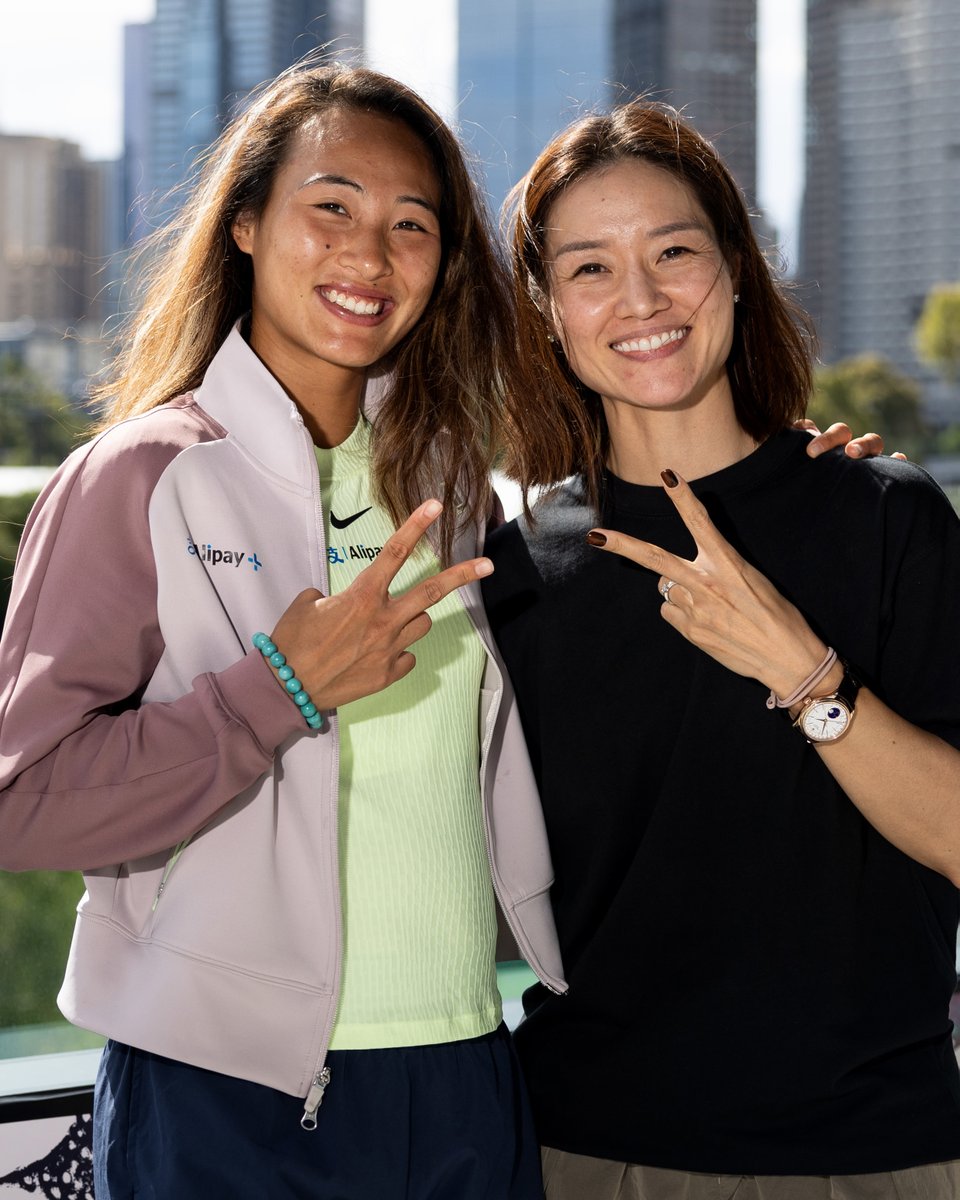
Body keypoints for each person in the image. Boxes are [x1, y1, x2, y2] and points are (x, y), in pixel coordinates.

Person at [0, 61, 567, 1199]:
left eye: (412, 224)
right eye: (332, 206)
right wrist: (275, 693)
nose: (371, 255)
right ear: (247, 224)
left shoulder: (456, 488)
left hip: (464, 1064)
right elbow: (20, 802)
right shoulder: (143, 476)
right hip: (225, 1095)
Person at [482, 99, 960, 1199]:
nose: (641, 300)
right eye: (590, 268)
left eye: (675, 252)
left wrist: (808, 676)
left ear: (737, 269)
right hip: (590, 1152)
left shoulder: (886, 517)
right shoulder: (512, 574)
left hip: (874, 1155)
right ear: (548, 310)